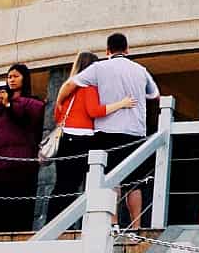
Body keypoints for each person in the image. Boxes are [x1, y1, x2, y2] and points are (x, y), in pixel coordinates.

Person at [55, 32, 160, 227]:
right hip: (136, 131)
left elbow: (71, 83)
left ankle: (113, 223)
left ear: (107, 51)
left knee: (112, 179)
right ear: (127, 50)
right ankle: (136, 226)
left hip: (107, 131)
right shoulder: (140, 69)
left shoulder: (99, 68)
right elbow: (155, 94)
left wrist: (60, 101)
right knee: (134, 183)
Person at [47, 52, 136, 222]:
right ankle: (67, 225)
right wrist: (122, 103)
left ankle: (52, 224)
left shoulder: (68, 86)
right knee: (78, 184)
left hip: (66, 138)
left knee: (62, 185)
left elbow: (57, 116)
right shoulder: (89, 86)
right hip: (81, 139)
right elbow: (94, 111)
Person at [0, 64, 45, 234]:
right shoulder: (0, 104)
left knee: (14, 207)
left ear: (24, 78)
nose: (11, 80)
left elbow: (26, 121)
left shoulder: (32, 102)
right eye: (9, 77)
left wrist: (9, 105)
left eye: (16, 76)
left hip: (17, 166)